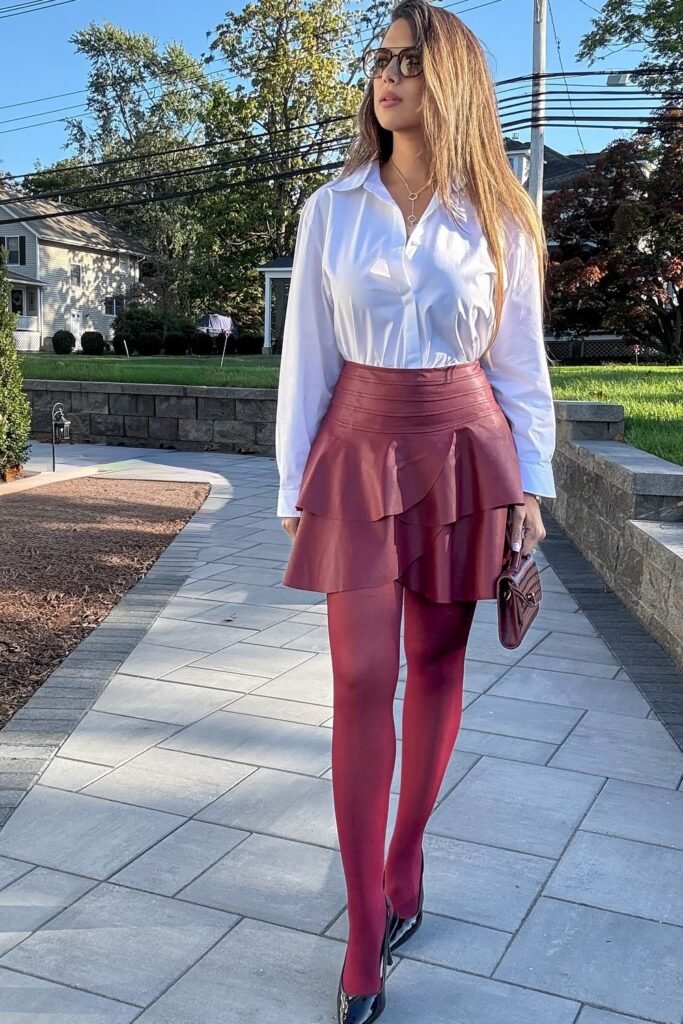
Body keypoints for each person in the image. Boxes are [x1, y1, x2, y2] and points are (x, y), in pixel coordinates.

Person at [275, 2, 556, 1021]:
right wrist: (288, 490)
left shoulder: (498, 213)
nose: (384, 77)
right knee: (359, 674)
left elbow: (519, 368)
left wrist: (530, 486)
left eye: (406, 61)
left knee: (436, 664)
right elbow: (304, 360)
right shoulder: (330, 209)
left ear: (450, 82)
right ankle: (360, 937)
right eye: (378, 60)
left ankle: (404, 865)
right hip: (353, 445)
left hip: (464, 447)